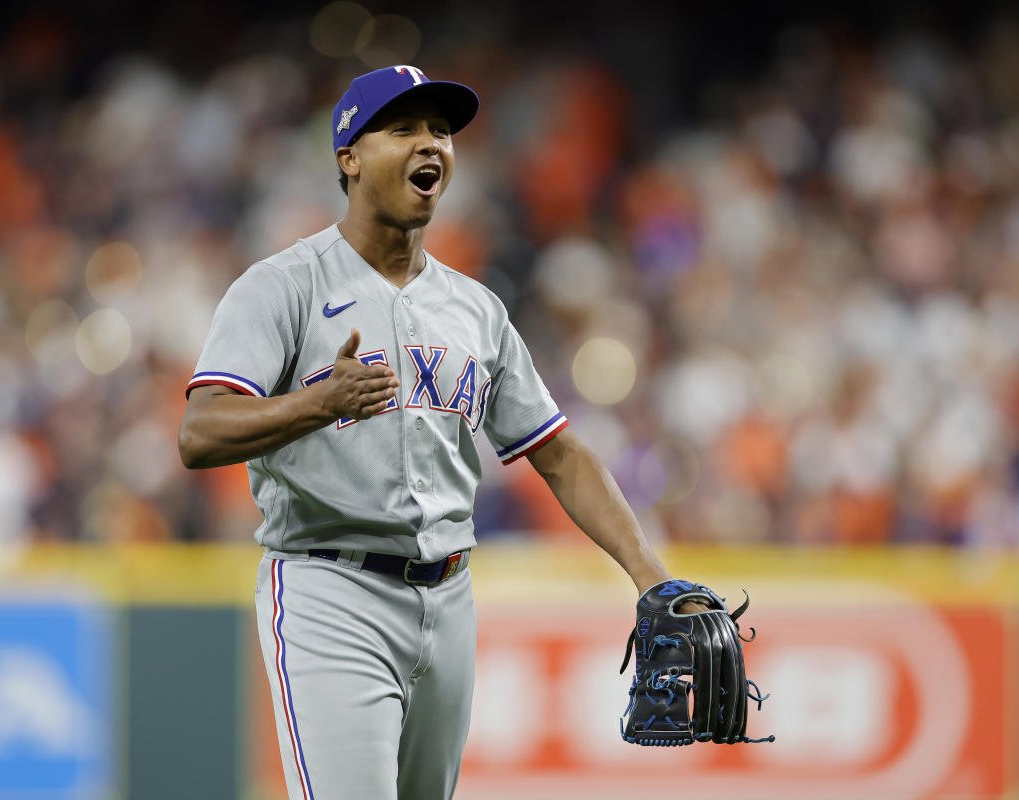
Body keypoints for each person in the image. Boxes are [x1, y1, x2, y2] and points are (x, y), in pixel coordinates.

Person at [178, 65, 692, 800]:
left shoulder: (476, 308)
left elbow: (558, 453)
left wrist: (651, 574)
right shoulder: (283, 285)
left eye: (442, 131)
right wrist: (316, 404)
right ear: (348, 157)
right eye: (405, 128)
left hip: (449, 598)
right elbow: (200, 433)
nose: (432, 144)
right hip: (331, 587)